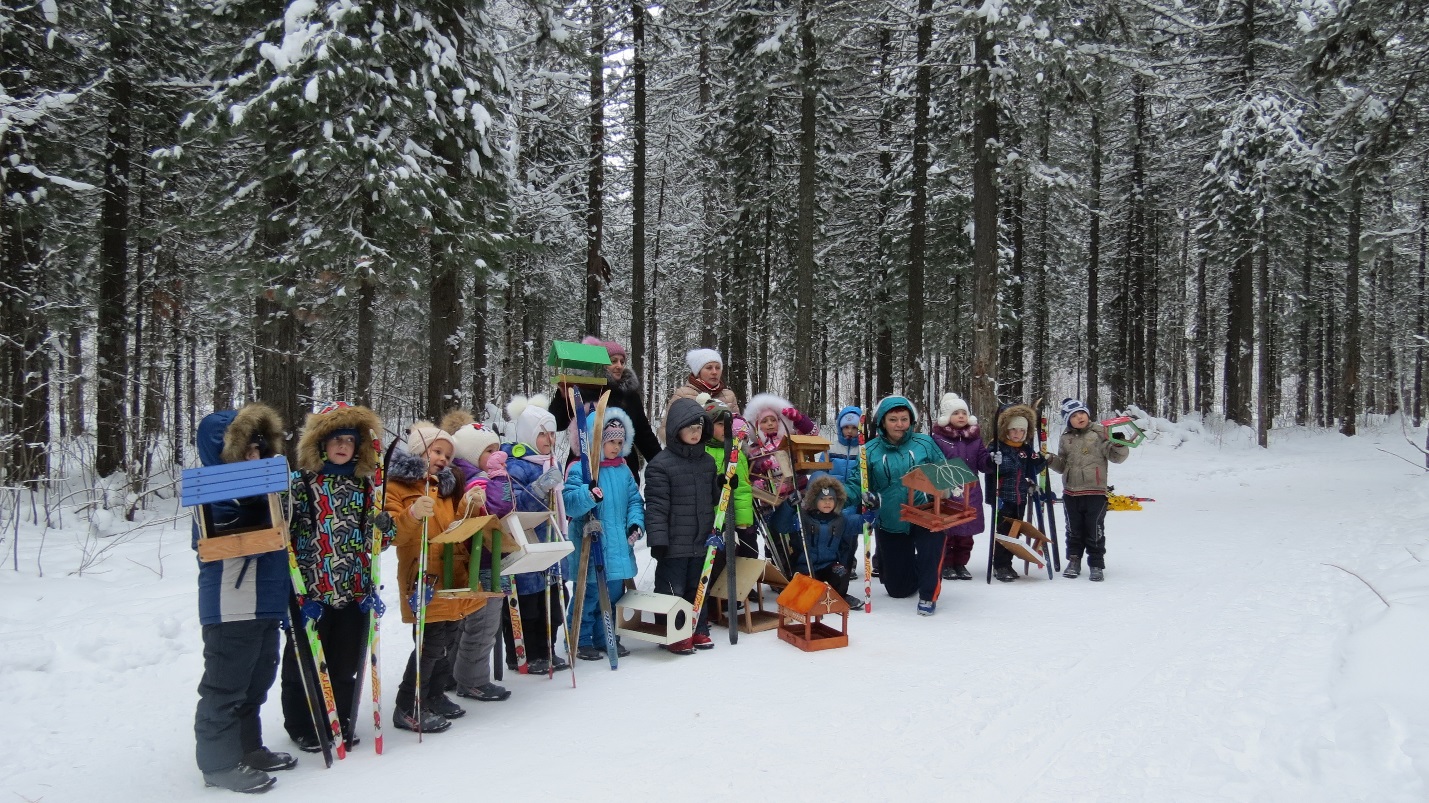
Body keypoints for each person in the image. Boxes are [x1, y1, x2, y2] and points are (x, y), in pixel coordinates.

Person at [192, 403, 295, 794]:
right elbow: (215, 537)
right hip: (230, 603)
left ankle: (248, 748)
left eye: (259, 447)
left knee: (257, 680)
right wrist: (254, 503)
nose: (255, 455)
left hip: (267, 599)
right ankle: (218, 764)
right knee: (226, 684)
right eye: (246, 448)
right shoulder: (210, 491)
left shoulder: (267, 489)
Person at [280, 402, 392, 753]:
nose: (342, 446)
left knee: (344, 663)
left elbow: (377, 543)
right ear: (320, 444)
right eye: (335, 439)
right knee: (304, 664)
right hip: (310, 592)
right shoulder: (300, 484)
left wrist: (384, 530)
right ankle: (302, 724)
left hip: (354, 590)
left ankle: (339, 718)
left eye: (349, 440)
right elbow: (281, 530)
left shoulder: (366, 488)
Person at [383, 421, 486, 734]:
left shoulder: (444, 487)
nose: (442, 458)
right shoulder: (397, 488)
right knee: (429, 644)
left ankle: (435, 694)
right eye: (437, 451)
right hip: (422, 577)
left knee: (449, 637)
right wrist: (412, 514)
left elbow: (454, 527)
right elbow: (392, 534)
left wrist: (468, 507)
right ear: (419, 451)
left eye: (447, 454)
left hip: (451, 575)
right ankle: (409, 704)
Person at [843, 395, 949, 616]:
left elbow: (944, 471)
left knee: (931, 550)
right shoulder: (869, 451)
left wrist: (944, 486)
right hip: (892, 520)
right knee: (898, 590)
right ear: (882, 421)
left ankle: (929, 593)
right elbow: (857, 483)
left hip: (925, 513)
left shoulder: (925, 443)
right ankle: (917, 566)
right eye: (893, 419)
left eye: (904, 419)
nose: (899, 424)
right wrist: (841, 495)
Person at [489, 394, 569, 674]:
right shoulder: (515, 464)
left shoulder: (551, 463)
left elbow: (559, 505)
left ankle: (546, 649)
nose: (549, 439)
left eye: (552, 434)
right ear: (528, 434)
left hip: (550, 543)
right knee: (527, 605)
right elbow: (512, 507)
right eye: (542, 434)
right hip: (525, 545)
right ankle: (521, 653)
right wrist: (538, 488)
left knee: (554, 603)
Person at [561, 407, 645, 660]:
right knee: (588, 596)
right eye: (610, 442)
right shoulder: (580, 470)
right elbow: (570, 503)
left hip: (618, 545)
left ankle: (606, 635)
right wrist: (588, 495)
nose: (616, 447)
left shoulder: (623, 471)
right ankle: (580, 637)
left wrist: (635, 524)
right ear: (597, 441)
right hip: (592, 544)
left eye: (620, 442)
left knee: (612, 595)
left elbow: (634, 501)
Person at [441, 410, 512, 702]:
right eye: (489, 451)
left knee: (469, 621)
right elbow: (499, 507)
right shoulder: (477, 480)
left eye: (498, 449)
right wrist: (499, 476)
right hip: (482, 559)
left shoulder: (470, 475)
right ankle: (472, 679)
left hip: (477, 557)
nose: (497, 455)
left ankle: (454, 673)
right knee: (483, 623)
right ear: (472, 454)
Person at [644, 398, 718, 654]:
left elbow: (713, 499)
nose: (695, 433)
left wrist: (723, 485)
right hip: (674, 542)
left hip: (701, 539)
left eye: (699, 427)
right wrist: (658, 539)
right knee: (671, 588)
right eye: (690, 428)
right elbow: (655, 506)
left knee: (697, 586)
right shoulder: (660, 465)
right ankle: (672, 632)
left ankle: (697, 628)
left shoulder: (707, 462)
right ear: (676, 429)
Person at [550, 337, 662, 478]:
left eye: (622, 361)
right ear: (601, 364)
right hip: (586, 468)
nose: (619, 365)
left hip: (624, 470)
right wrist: (562, 398)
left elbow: (644, 434)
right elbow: (556, 423)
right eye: (613, 361)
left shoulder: (630, 395)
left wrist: (662, 463)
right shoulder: (584, 389)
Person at [1046, 398, 1130, 582]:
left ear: (1087, 413)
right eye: (1074, 416)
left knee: (1094, 529)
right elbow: (1062, 465)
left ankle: (1096, 564)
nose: (1079, 417)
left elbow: (1117, 457)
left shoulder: (1101, 432)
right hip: (1071, 493)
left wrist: (1120, 444)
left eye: (1081, 413)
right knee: (1073, 530)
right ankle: (1074, 560)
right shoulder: (1066, 438)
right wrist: (1050, 460)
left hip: (1095, 492)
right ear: (1069, 420)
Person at [929, 393, 992, 581]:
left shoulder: (975, 439)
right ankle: (947, 563)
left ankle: (961, 563)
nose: (961, 416)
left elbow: (983, 463)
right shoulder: (938, 439)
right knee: (948, 530)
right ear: (948, 417)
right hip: (947, 490)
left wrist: (992, 460)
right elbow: (935, 463)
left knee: (966, 532)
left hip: (970, 491)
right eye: (956, 413)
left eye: (964, 413)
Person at [986, 403, 1046, 583]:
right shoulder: (997, 447)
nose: (1017, 434)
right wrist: (994, 460)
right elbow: (997, 469)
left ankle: (1008, 563)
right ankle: (1000, 564)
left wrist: (1041, 460)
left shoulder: (1026, 449)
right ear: (1006, 430)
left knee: (1015, 533)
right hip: (1003, 497)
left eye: (1021, 431)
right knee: (1003, 531)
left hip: (1020, 497)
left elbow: (1031, 470)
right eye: (1013, 430)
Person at [792, 476, 864, 610]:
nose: (827, 503)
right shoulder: (803, 517)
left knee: (841, 572)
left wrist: (874, 508)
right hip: (806, 566)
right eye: (823, 499)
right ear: (814, 499)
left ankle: (839, 595)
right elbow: (780, 525)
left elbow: (864, 523)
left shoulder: (841, 520)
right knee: (806, 589)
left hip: (827, 565)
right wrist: (788, 507)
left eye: (831, 499)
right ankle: (814, 596)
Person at [665, 347, 740, 432]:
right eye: (709, 368)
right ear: (698, 371)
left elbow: (739, 426)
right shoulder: (683, 394)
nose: (714, 372)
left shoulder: (729, 395)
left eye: (718, 367)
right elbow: (666, 429)